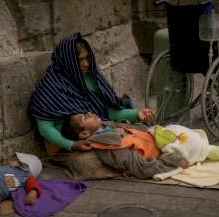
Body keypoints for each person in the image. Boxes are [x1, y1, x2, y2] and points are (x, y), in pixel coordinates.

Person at [29, 32, 156, 164]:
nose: (86, 64)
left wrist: (137, 114)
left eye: (87, 58)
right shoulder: (51, 86)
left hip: (96, 131)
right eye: (80, 60)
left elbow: (108, 112)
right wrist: (72, 145)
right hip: (64, 146)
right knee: (112, 155)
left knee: (144, 138)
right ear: (68, 60)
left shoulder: (92, 77)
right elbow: (45, 128)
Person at [61, 112, 189, 179]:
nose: (89, 112)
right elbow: (142, 168)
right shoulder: (111, 147)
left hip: (161, 137)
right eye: (84, 117)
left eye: (85, 113)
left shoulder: (108, 128)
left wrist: (119, 125)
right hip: (164, 152)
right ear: (84, 134)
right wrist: (175, 160)